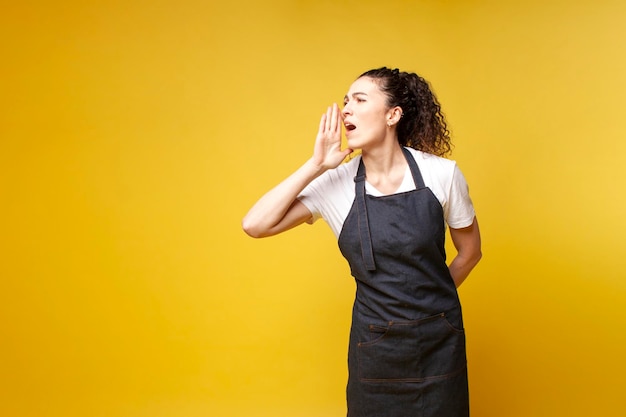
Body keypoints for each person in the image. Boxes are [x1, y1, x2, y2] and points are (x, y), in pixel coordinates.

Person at [242, 67, 482, 417]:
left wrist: (434, 304)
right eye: (344, 102)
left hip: (438, 344)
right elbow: (255, 224)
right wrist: (315, 165)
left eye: (359, 99)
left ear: (392, 115)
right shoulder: (335, 183)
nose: (345, 110)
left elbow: (470, 252)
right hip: (375, 349)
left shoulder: (442, 174)